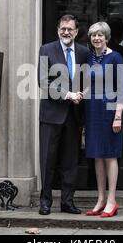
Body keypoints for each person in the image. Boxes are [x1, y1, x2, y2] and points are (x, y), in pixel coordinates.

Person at [37, 14, 89, 215]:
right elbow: (43, 82)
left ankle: (67, 201)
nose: (66, 32)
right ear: (58, 29)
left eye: (70, 29)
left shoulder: (84, 52)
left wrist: (83, 94)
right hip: (51, 114)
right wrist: (68, 95)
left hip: (74, 116)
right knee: (48, 160)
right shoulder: (46, 49)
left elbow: (88, 79)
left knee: (70, 161)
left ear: (76, 32)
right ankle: (45, 202)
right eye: (63, 28)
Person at [84, 22, 123, 218]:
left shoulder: (115, 57)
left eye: (100, 35)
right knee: (97, 155)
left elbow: (122, 89)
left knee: (110, 154)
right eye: (93, 35)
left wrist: (118, 116)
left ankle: (112, 200)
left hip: (109, 109)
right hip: (92, 109)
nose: (97, 38)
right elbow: (88, 85)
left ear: (107, 37)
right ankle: (100, 198)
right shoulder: (90, 57)